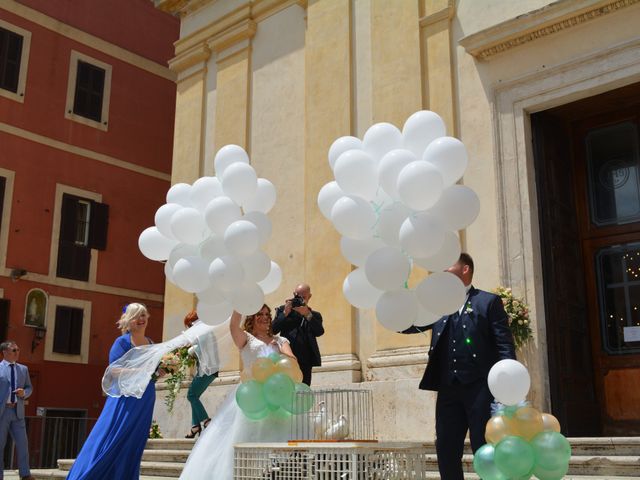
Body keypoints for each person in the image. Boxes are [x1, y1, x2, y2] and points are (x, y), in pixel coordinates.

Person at [402, 253, 516, 480]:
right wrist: (396, 306)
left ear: (465, 269)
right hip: (448, 388)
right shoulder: (437, 306)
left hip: (481, 387)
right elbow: (410, 325)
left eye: (449, 265)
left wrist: (509, 383)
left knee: (484, 447)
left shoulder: (488, 301)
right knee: (446, 447)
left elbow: (504, 344)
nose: (443, 270)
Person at [179, 305, 295, 480]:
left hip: (276, 396)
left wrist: (278, 354)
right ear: (251, 318)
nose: (264, 317)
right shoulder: (246, 338)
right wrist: (241, 302)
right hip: (250, 396)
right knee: (241, 445)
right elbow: (233, 326)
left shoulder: (280, 340)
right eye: (259, 314)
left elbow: (292, 360)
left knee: (275, 444)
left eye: (266, 314)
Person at [66, 303, 158, 480]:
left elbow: (153, 373)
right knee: (112, 437)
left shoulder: (152, 343)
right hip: (124, 399)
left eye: (144, 315)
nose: (142, 319)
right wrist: (143, 372)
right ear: (128, 321)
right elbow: (113, 371)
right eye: (137, 316)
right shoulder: (122, 342)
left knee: (134, 441)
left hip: (145, 398)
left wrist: (163, 370)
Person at [273, 283, 324, 385]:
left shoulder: (314, 315)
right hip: (286, 358)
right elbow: (273, 330)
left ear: (309, 297)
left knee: (304, 391)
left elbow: (319, 331)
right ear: (294, 294)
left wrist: (307, 314)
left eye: (303, 297)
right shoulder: (283, 310)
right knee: (286, 388)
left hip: (306, 360)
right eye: (297, 296)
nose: (300, 300)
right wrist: (285, 314)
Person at [0, 341, 34, 480]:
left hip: (18, 412)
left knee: (23, 445)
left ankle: (25, 475)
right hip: (2, 413)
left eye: (18, 349)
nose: (17, 352)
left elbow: (29, 387)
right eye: (14, 350)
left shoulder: (23, 369)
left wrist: (24, 393)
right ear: (5, 352)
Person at [183, 310, 219, 438]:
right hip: (208, 369)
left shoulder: (202, 332)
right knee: (194, 396)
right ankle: (195, 426)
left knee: (191, 395)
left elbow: (201, 348)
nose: (189, 328)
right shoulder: (205, 330)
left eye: (189, 325)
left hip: (207, 369)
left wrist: (189, 350)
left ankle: (206, 421)